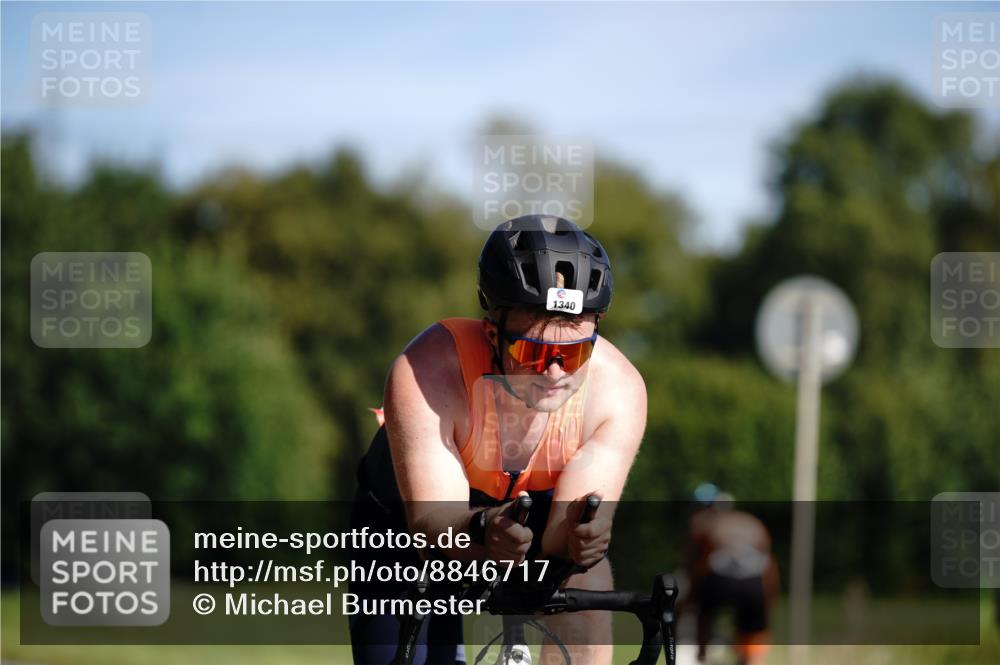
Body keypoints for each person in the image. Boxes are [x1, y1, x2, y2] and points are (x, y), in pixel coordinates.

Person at [349, 214, 647, 665]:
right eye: (532, 352)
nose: (554, 373)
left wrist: (580, 539)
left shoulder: (618, 389)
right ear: (492, 333)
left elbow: (560, 539)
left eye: (573, 353)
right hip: (411, 526)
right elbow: (431, 523)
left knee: (589, 579)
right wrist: (482, 528)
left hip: (526, 512)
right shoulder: (427, 369)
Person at [682, 484, 778, 665]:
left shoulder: (702, 523)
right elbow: (768, 563)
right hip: (754, 581)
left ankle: (702, 656)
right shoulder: (750, 522)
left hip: (719, 579)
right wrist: (767, 596)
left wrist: (691, 598)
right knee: (752, 628)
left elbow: (695, 564)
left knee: (704, 615)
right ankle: (751, 660)